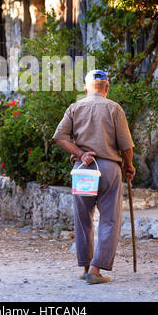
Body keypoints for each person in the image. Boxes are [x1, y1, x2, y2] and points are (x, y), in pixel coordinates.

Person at [52, 69, 135, 284]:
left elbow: (59, 136)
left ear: (86, 88)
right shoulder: (114, 108)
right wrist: (129, 166)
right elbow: (126, 145)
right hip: (108, 169)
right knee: (110, 219)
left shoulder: (75, 107)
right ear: (107, 88)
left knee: (83, 219)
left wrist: (80, 154)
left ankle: (86, 267)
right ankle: (96, 271)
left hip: (83, 170)